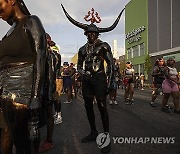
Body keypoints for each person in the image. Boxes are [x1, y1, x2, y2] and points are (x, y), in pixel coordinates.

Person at [61, 4, 124, 153]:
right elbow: (79, 66)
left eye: (94, 33)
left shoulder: (103, 46)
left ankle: (106, 136)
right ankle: (93, 131)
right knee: (88, 106)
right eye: (89, 33)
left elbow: (110, 65)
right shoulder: (82, 49)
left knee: (102, 107)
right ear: (86, 34)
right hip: (87, 80)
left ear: (97, 34)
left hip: (100, 79)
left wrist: (111, 81)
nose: (91, 35)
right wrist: (82, 73)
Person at [0, 0, 47, 153]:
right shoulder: (10, 31)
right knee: (9, 137)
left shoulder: (31, 22)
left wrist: (35, 97)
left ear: (12, 1)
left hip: (22, 98)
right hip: (5, 95)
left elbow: (40, 58)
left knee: (23, 146)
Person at [38, 34, 62, 153]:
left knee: (48, 113)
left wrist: (49, 93)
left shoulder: (51, 55)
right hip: (39, 89)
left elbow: (52, 75)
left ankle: (48, 140)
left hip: (46, 88)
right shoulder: (38, 53)